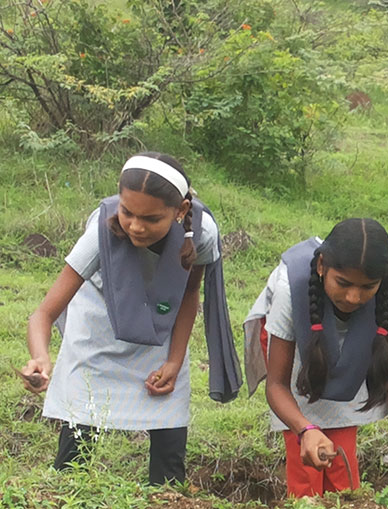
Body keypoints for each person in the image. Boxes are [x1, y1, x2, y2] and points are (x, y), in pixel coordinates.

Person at [21, 152, 242, 485]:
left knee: (168, 448)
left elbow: (188, 295)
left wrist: (174, 360)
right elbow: (45, 312)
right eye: (127, 212)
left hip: (161, 323)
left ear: (181, 211)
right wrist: (40, 357)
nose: (136, 226)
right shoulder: (101, 231)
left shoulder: (202, 233)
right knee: (76, 448)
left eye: (151, 219)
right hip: (99, 324)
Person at [243, 219, 388, 497]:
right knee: (307, 470)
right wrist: (305, 429)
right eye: (343, 283)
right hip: (296, 343)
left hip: (352, 351)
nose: (353, 297)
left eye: (367, 287)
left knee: (342, 474)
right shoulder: (291, 287)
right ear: (322, 266)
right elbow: (276, 385)